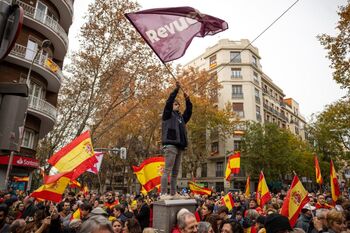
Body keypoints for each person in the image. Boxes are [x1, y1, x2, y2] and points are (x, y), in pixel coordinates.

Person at [160, 81, 192, 199]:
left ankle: (173, 193)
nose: (176, 105)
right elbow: (168, 102)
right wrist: (176, 90)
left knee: (175, 172)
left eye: (178, 104)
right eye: (174, 103)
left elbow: (189, 112)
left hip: (180, 146)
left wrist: (187, 100)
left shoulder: (181, 118)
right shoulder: (167, 114)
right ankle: (163, 193)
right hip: (170, 145)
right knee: (167, 170)